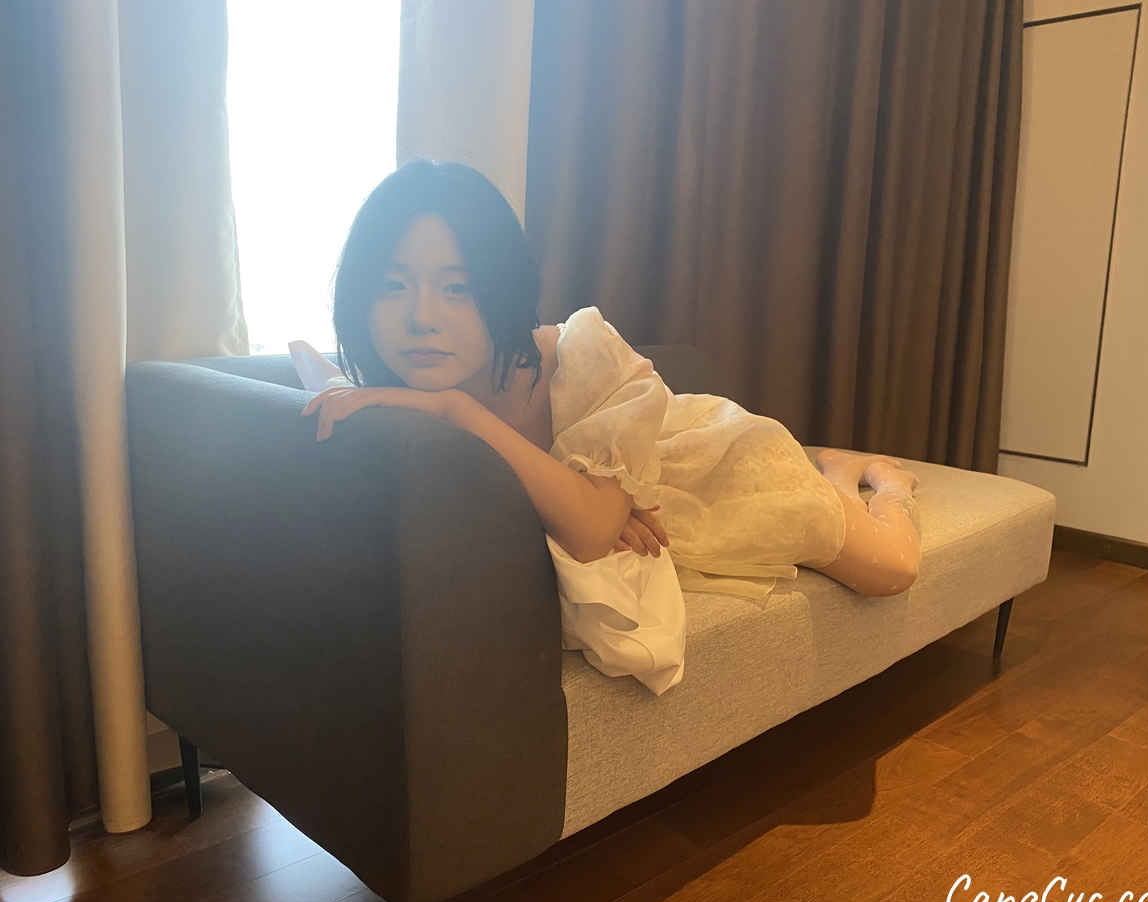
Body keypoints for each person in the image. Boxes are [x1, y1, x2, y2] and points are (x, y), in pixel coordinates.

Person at [302, 160, 922, 687]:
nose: (422, 317)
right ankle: (838, 473)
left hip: (713, 467)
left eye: (458, 288)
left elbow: (592, 531)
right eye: (393, 285)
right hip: (648, 501)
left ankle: (880, 483)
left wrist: (459, 411)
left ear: (503, 289)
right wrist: (585, 498)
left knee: (894, 569)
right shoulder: (388, 396)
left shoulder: (584, 353)